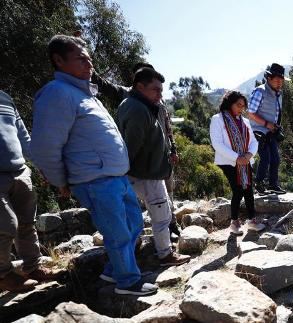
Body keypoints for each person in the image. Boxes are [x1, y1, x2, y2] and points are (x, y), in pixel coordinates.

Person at [30, 35, 157, 296]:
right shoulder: (56, 93)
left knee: (133, 224)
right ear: (59, 60)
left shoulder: (85, 94)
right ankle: (128, 282)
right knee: (118, 232)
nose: (89, 63)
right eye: (81, 58)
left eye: (89, 58)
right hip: (94, 180)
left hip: (115, 177)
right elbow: (45, 147)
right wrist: (60, 181)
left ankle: (113, 271)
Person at [92, 63, 182, 238]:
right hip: (141, 164)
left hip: (163, 157)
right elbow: (104, 85)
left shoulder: (158, 98)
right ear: (137, 80)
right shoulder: (127, 95)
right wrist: (90, 69)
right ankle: (143, 238)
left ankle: (172, 225)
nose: (159, 93)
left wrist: (173, 148)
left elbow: (167, 125)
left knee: (167, 193)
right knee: (143, 200)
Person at [116, 67, 190, 266]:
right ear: (140, 87)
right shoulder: (138, 109)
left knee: (150, 214)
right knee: (161, 216)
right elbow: (132, 145)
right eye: (156, 90)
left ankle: (136, 254)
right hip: (146, 173)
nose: (160, 95)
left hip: (144, 171)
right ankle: (165, 254)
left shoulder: (133, 104)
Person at [0, 91, 63, 292]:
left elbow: (23, 136)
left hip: (19, 170)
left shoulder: (5, 98)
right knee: (5, 225)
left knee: (26, 223)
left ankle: (33, 267)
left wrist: (40, 165)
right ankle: (3, 276)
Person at [210, 91, 265, 235]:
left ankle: (252, 221)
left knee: (248, 190)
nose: (241, 108)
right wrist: (236, 157)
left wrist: (248, 155)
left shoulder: (245, 121)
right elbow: (217, 143)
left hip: (245, 161)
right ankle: (234, 223)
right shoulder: (218, 119)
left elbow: (253, 141)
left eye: (243, 106)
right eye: (238, 105)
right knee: (238, 189)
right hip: (228, 161)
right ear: (230, 103)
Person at [246, 63, 286, 196]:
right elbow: (251, 113)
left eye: (281, 80)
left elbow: (276, 113)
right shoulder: (260, 91)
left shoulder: (279, 94)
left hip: (271, 131)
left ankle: (273, 185)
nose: (280, 83)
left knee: (276, 159)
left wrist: (276, 126)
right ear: (269, 78)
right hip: (258, 131)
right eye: (277, 80)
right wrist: (266, 124)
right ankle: (259, 184)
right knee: (265, 158)